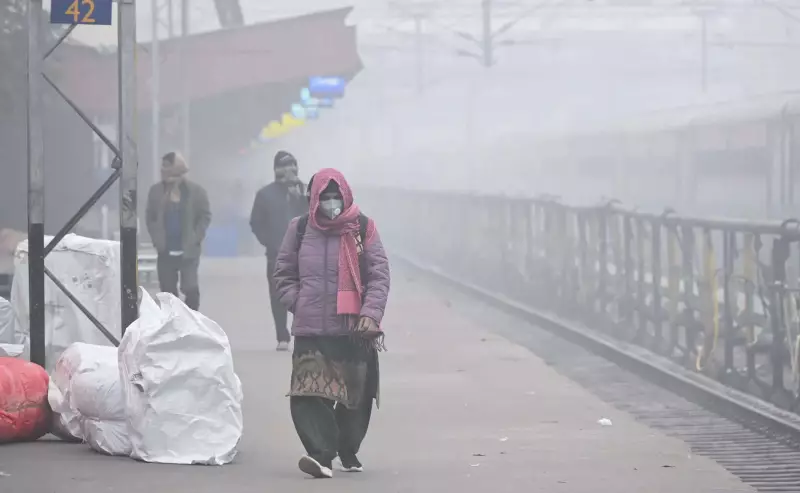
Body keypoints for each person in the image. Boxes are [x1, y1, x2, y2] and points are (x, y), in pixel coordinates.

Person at [273, 168, 390, 479]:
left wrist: (370, 313)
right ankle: (320, 454)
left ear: (347, 195)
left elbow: (379, 276)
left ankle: (346, 447)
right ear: (313, 199)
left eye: (336, 196)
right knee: (308, 394)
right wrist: (296, 301)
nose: (331, 202)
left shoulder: (363, 228)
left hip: (353, 329)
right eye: (324, 197)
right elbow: (283, 271)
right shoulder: (298, 229)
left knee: (356, 396)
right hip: (311, 328)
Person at [250, 150, 308, 351]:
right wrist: (270, 242)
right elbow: (256, 223)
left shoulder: (307, 191)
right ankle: (282, 335)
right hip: (277, 253)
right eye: (285, 165)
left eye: (293, 165)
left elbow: (318, 216)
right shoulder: (265, 195)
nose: (290, 169)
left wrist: (300, 198)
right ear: (276, 170)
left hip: (305, 253)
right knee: (278, 294)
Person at [145, 151, 211, 311]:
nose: (163, 171)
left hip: (188, 252)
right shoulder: (156, 192)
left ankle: (191, 321)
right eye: (163, 168)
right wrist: (156, 238)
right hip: (165, 251)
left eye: (168, 168)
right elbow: (150, 217)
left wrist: (197, 237)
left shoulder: (196, 192)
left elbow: (205, 216)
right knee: (168, 294)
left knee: (191, 290)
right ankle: (173, 325)